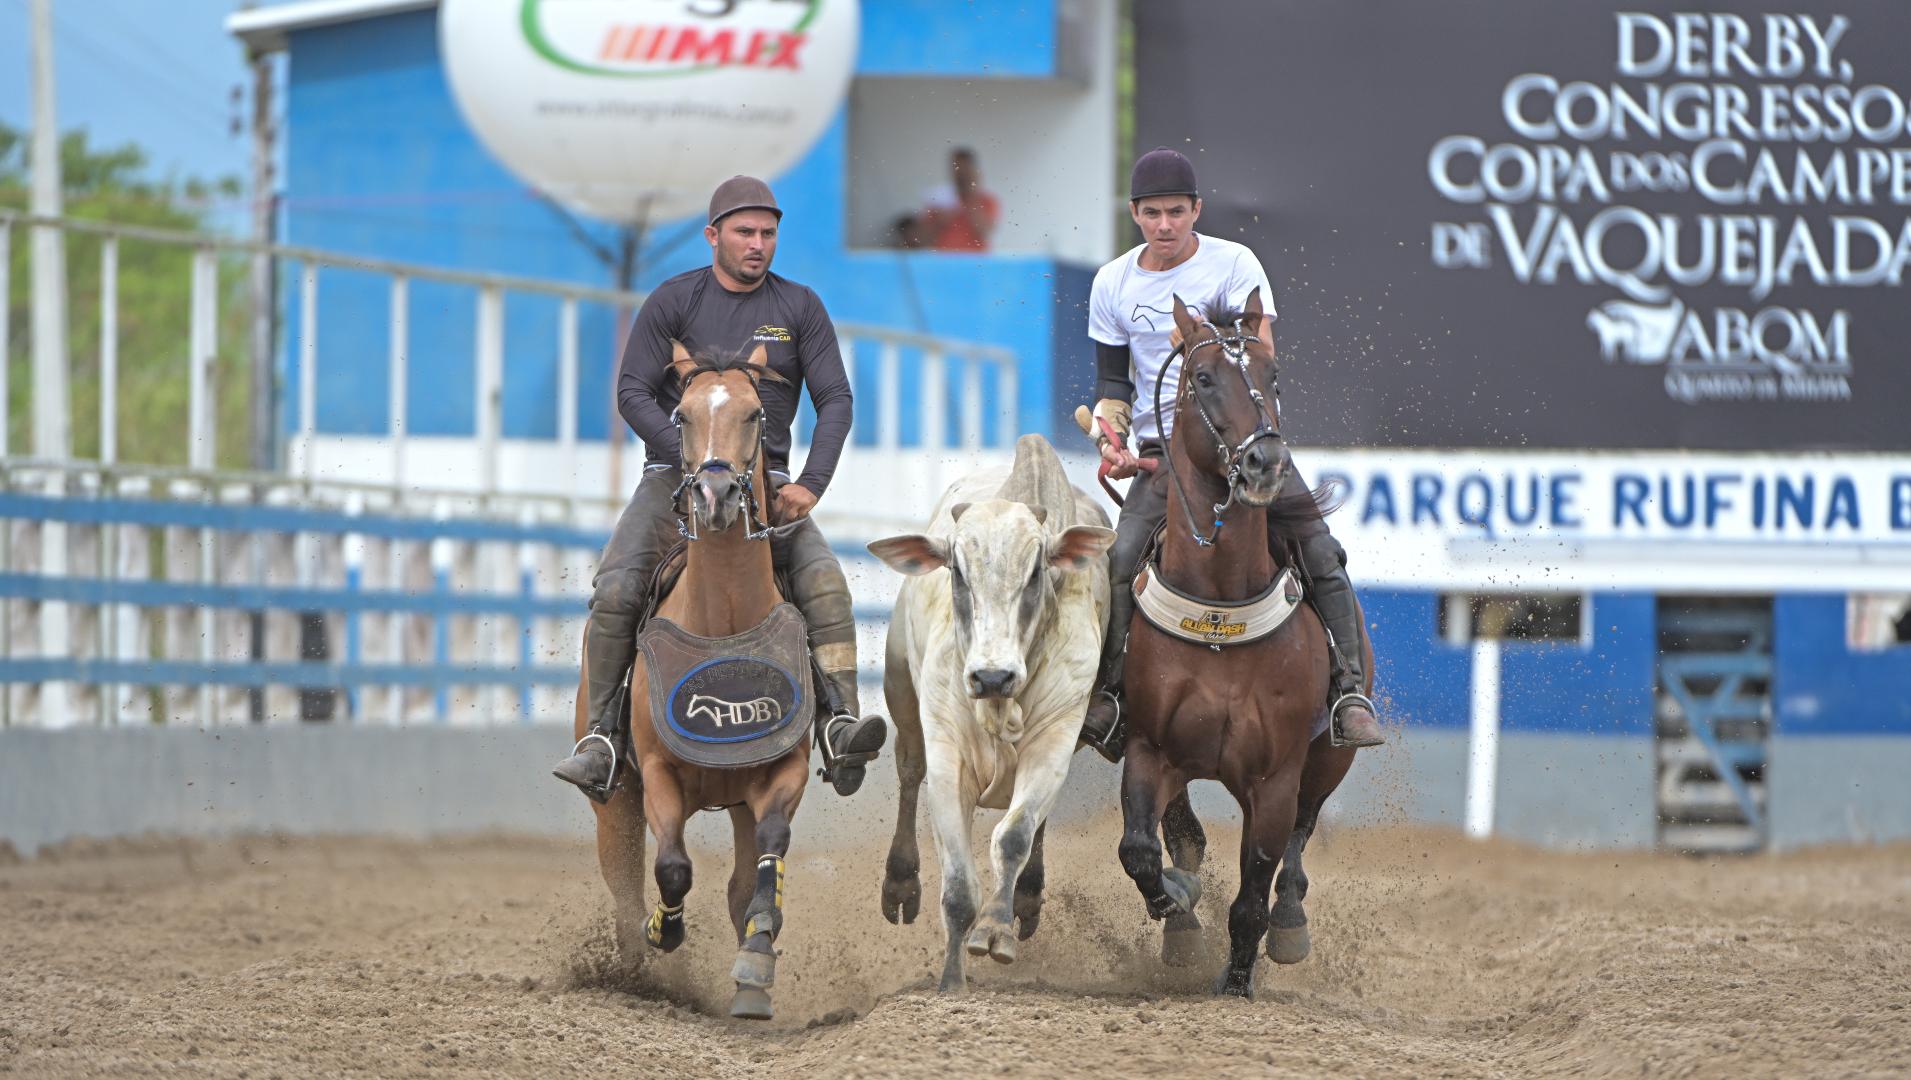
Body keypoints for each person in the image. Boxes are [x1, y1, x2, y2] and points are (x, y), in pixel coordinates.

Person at [553, 175, 888, 801]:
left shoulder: (800, 308)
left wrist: (811, 483)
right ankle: (600, 739)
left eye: (768, 233)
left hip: (768, 485)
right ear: (713, 235)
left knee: (825, 583)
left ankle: (840, 724)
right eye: (744, 232)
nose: (758, 244)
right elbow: (631, 391)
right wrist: (689, 461)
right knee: (618, 587)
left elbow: (835, 399)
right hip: (672, 478)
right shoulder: (672, 301)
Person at [1076, 148, 1386, 761]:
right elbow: (1113, 383)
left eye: (1176, 212)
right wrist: (1112, 435)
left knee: (1320, 549)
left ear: (1197, 210)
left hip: (1247, 445)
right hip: (1167, 453)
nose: (1165, 225)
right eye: (1152, 213)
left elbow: (1258, 351)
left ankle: (1349, 693)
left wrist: (1200, 337)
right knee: (1119, 560)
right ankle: (1109, 696)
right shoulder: (1111, 282)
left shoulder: (1235, 263)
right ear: (1134, 214)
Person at [916, 147, 999, 252]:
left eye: (965, 168)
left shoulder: (986, 200)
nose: (961, 173)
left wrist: (971, 194)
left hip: (975, 259)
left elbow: (985, 231)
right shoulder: (938, 198)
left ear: (973, 170)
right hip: (944, 258)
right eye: (957, 167)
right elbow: (922, 239)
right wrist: (938, 222)